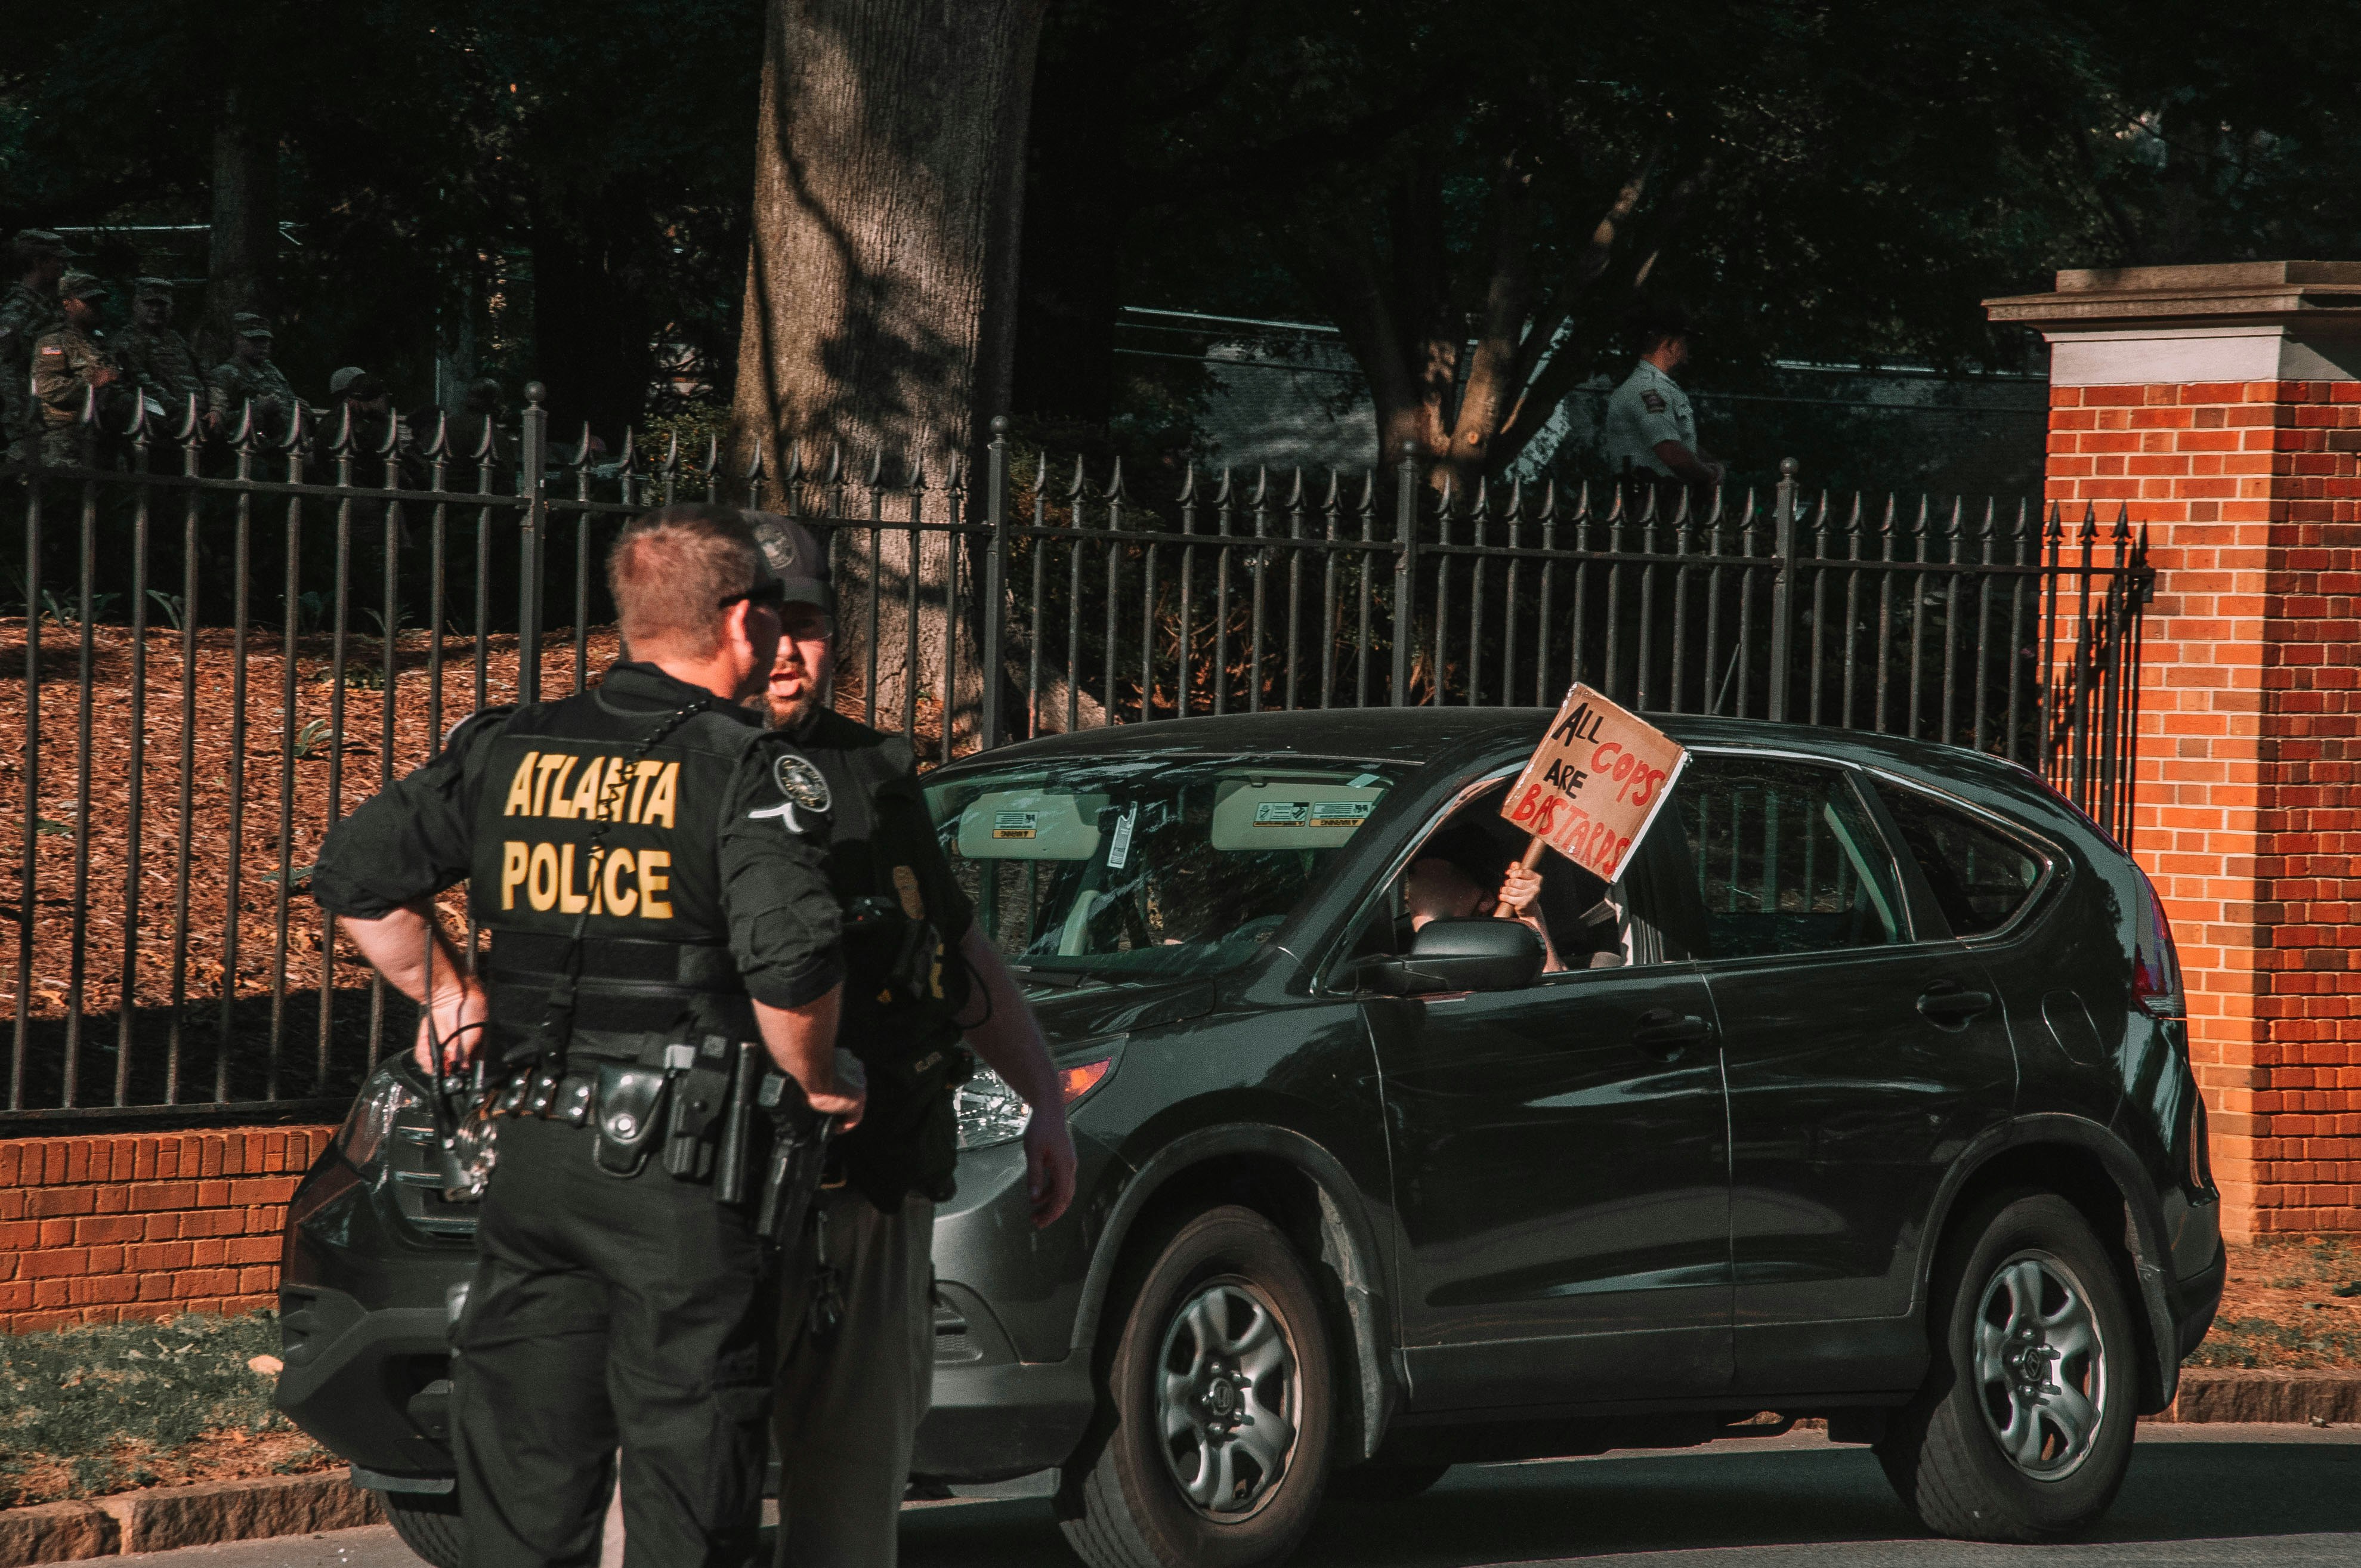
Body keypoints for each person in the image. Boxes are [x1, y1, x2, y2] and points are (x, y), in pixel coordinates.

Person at [311, 504, 861, 1567]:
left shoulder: (511, 744)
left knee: (525, 1479)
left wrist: (449, 995)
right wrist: (822, 1074)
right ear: (740, 623)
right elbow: (792, 960)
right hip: (684, 1182)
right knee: (688, 1475)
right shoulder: (742, 767)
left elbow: (358, 875)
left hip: (530, 1164)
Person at [747, 512, 1078, 1568]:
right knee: (676, 1480)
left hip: (874, 1183)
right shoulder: (676, 765)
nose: (787, 648)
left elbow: (957, 944)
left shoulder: (871, 774)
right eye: (765, 622)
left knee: (852, 1487)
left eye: (808, 623)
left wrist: (1044, 1100)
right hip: (716, 1188)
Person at [1601, 298, 1723, 505]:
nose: (1688, 347)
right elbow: (1670, 451)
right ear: (1670, 343)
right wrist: (1710, 474)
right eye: (1685, 340)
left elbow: (1679, 442)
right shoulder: (1647, 389)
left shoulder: (1660, 387)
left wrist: (1710, 462)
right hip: (1650, 501)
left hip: (1661, 500)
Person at [1403, 823, 1564, 972]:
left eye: (1433, 884)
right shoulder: (1395, 950)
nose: (1411, 896)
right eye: (1413, 882)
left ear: (1485, 900)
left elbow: (1552, 987)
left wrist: (1530, 914)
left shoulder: (1508, 954)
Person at [28, 274, 125, 468]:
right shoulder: (54, 341)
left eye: (98, 301)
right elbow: (45, 386)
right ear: (67, 304)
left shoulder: (102, 343)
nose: (95, 306)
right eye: (88, 301)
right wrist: (91, 384)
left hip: (104, 438)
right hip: (67, 441)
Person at [1, 229, 72, 463]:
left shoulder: (47, 305)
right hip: (24, 409)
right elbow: (6, 357)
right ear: (38, 262)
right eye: (58, 260)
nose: (64, 266)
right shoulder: (20, 305)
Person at [112, 278, 208, 415]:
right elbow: (140, 382)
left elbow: (205, 375)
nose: (156, 309)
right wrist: (176, 409)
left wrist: (216, 409)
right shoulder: (126, 341)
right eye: (149, 303)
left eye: (162, 304)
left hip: (198, 413)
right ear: (135, 305)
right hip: (162, 415)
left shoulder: (177, 340)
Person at [206, 312, 296, 439]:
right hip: (253, 448)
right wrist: (258, 409)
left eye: (265, 340)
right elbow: (218, 423)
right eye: (254, 340)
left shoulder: (273, 372)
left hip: (287, 444)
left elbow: (290, 406)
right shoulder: (225, 373)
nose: (262, 345)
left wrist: (304, 413)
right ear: (238, 340)